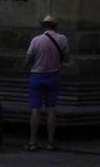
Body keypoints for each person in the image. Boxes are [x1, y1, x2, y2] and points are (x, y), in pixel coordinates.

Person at [25, 15, 69, 152]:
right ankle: (50, 143)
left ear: (43, 25)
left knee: (35, 109)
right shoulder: (62, 39)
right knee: (51, 109)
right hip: (53, 76)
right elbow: (66, 58)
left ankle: (33, 142)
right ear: (55, 26)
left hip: (37, 76)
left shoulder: (36, 40)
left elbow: (28, 60)